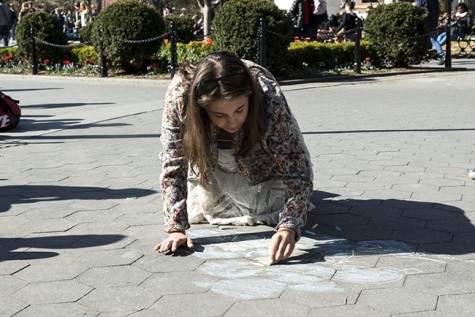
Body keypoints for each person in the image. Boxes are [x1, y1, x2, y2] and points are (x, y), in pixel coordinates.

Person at [154, 51, 314, 264]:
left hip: (260, 159)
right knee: (208, 206)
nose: (232, 122)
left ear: (249, 97)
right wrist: (176, 229)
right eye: (219, 114)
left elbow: (295, 162)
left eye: (239, 110)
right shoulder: (180, 96)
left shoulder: (267, 93)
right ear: (202, 107)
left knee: (270, 208)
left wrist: (289, 225)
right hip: (212, 159)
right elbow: (174, 162)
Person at [415, 0, 445, 65]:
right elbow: (437, 10)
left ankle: (441, 55)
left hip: (424, 21)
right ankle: (417, 57)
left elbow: (418, 9)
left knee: (428, 38)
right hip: (432, 21)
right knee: (430, 38)